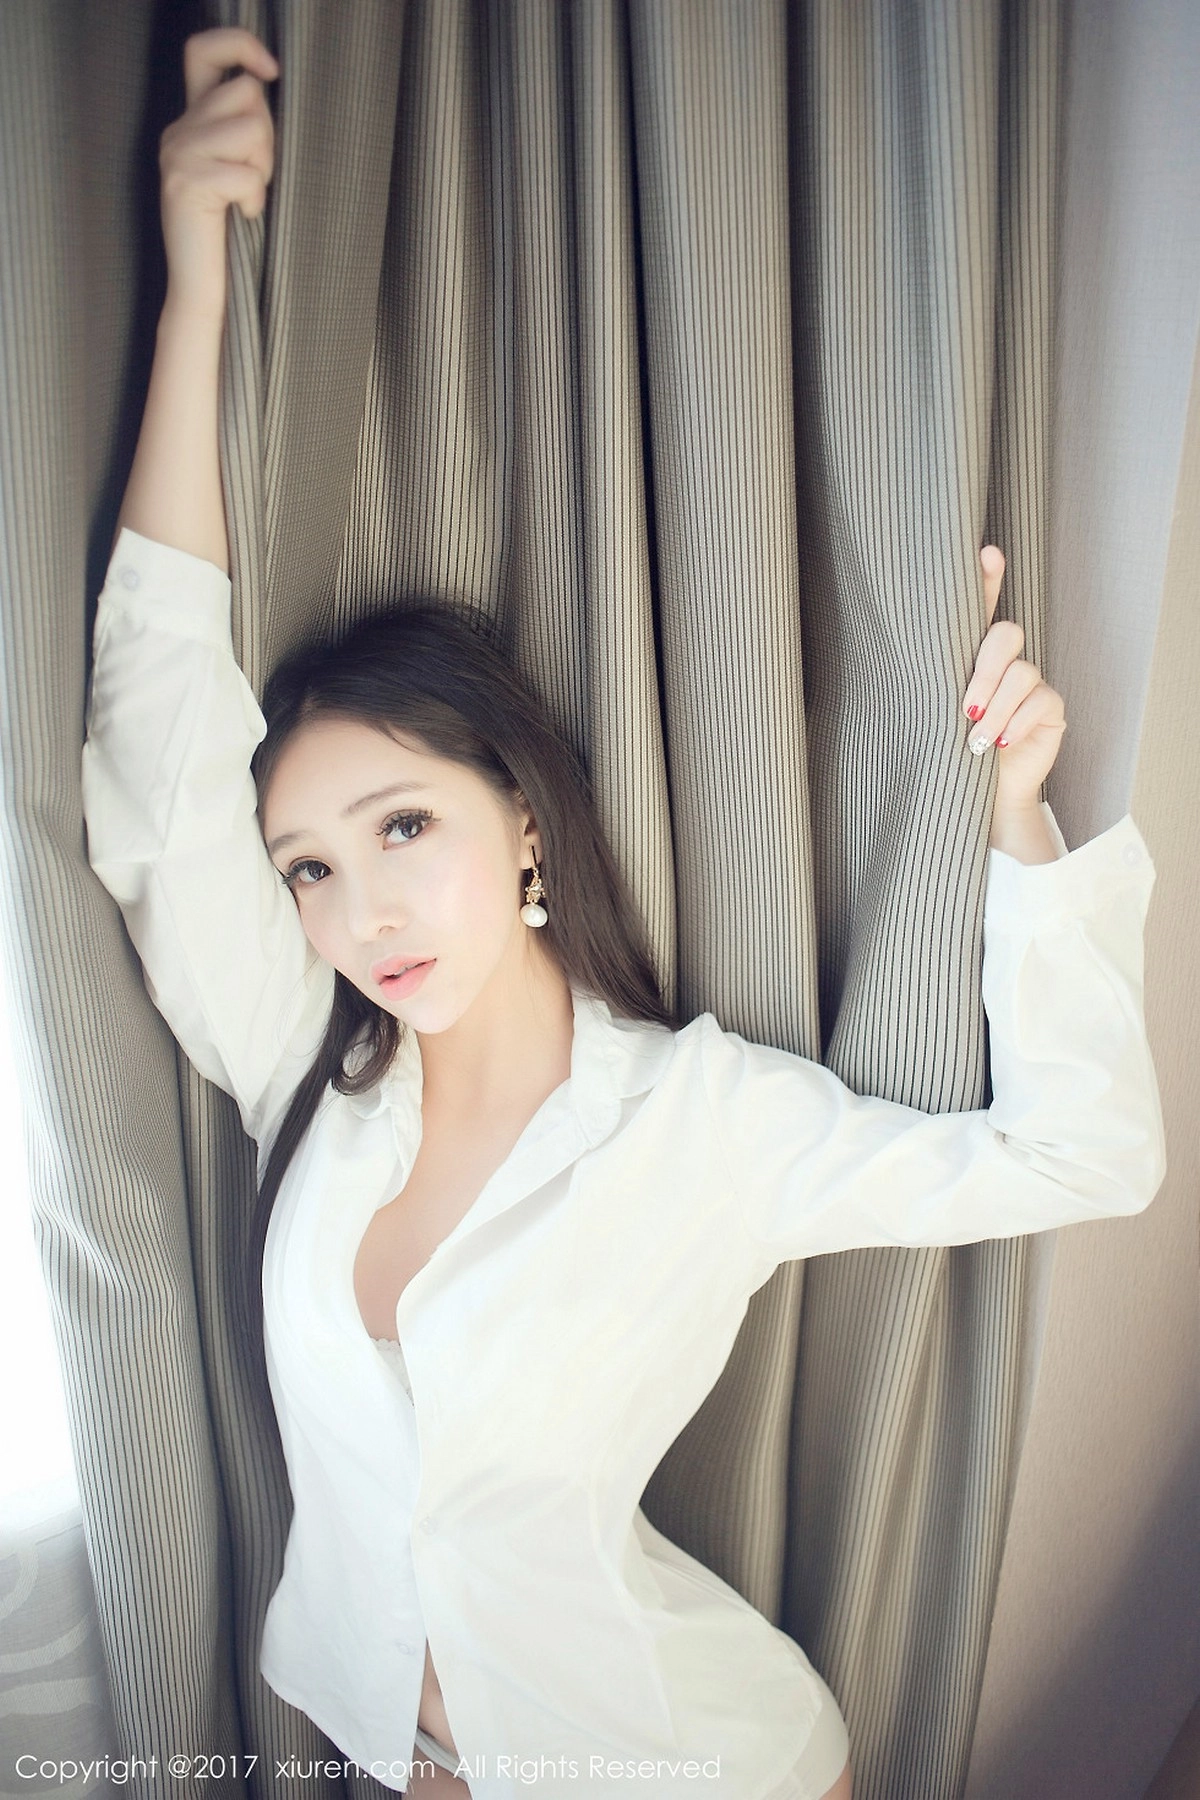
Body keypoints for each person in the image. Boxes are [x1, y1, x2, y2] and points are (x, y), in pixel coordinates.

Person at [79, 28, 1166, 1800]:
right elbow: (153, 738)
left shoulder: (699, 1123)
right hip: (396, 1755)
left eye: (403, 826)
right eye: (307, 868)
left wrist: (1019, 820)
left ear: (524, 821)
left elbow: (1084, 1160)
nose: (359, 909)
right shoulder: (309, 1082)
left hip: (698, 1764)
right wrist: (197, 280)